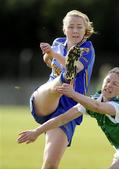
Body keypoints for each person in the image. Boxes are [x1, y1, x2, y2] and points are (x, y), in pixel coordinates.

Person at [17, 67, 119, 169]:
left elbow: (98, 107)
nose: (109, 85)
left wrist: (73, 94)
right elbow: (62, 119)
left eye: (115, 84)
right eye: (108, 81)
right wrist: (37, 131)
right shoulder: (94, 100)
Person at [27, 10, 95, 169]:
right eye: (71, 27)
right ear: (65, 29)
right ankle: (64, 79)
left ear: (86, 30)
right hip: (47, 97)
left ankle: (65, 78)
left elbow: (75, 68)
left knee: (50, 165)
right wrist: (48, 56)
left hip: (69, 106)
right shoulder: (57, 43)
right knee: (56, 86)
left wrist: (53, 55)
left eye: (79, 27)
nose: (75, 30)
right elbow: (49, 61)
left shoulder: (87, 48)